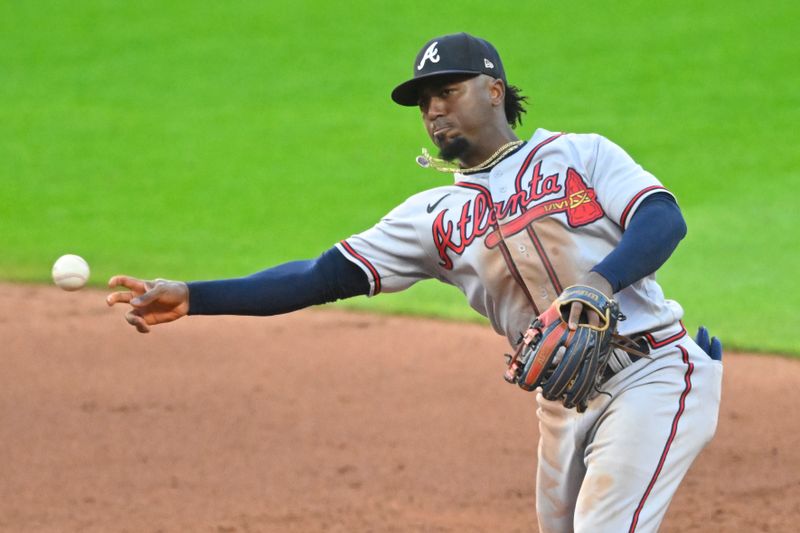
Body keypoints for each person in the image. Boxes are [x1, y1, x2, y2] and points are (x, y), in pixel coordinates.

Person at [107, 33, 723, 532]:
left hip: (653, 371)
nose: (433, 110)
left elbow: (662, 218)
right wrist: (196, 296)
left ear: (494, 91)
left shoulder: (580, 155)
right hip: (562, 401)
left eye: (446, 92)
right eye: (424, 101)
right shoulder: (431, 218)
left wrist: (597, 283)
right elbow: (318, 277)